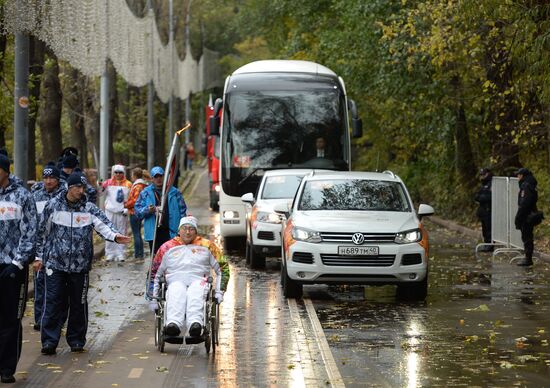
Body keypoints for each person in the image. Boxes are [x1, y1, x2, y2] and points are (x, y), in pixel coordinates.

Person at [35, 171, 130, 355]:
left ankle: (76, 340)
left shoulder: (89, 208)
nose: (81, 190)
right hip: (55, 264)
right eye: (78, 187)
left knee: (78, 303)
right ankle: (49, 341)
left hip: (80, 266)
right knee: (53, 302)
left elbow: (104, 226)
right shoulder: (53, 206)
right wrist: (39, 257)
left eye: (83, 187)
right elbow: (41, 233)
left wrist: (116, 237)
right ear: (69, 188)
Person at [151, 216, 229, 338]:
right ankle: (173, 324)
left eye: (191, 229)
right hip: (175, 280)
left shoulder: (207, 246)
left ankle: (195, 324)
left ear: (196, 231)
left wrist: (220, 291)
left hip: (199, 280)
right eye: (184, 228)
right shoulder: (167, 248)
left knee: (196, 292)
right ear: (179, 230)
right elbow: (154, 273)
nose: (187, 232)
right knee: (176, 291)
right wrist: (154, 297)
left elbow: (223, 268)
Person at [0, 154, 37, 384]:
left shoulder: (22, 195)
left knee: (10, 319)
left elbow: (30, 232)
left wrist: (17, 262)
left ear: (5, 170)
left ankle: (6, 367)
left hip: (12, 268)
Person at [30, 163, 64, 331]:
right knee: (39, 285)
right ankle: (39, 319)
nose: (49, 181)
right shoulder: (35, 196)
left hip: (58, 248)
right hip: (40, 246)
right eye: (46, 178)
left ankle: (54, 319)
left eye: (52, 178)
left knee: (56, 289)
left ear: (58, 180)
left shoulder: (63, 196)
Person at [134, 166, 187, 255]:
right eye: (156, 177)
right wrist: (148, 210)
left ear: (165, 177)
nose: (158, 179)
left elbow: (183, 211)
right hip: (154, 233)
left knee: (172, 257)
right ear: (152, 179)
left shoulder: (175, 192)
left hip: (172, 231)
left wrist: (182, 228)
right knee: (156, 259)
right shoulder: (145, 193)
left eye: (161, 176)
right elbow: (137, 211)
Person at [101, 165, 132, 262]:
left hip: (121, 212)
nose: (118, 174)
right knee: (109, 231)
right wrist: (100, 186)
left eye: (120, 172)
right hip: (110, 211)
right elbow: (100, 193)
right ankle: (110, 253)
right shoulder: (108, 183)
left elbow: (131, 199)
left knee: (121, 232)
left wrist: (127, 209)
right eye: (116, 172)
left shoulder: (128, 184)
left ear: (124, 173)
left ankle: (120, 253)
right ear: (113, 172)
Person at [514, 168, 539, 267]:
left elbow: (525, 203)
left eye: (518, 175)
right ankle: (527, 257)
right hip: (529, 213)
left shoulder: (526, 186)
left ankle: (528, 258)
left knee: (527, 237)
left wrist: (519, 217)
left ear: (522, 176)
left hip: (526, 215)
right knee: (527, 236)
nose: (517, 177)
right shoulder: (530, 184)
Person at [125, 167, 148, 259]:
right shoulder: (143, 185)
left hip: (134, 212)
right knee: (137, 233)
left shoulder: (138, 186)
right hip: (139, 212)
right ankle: (139, 253)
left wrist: (126, 204)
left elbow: (135, 201)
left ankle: (138, 255)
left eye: (132, 174)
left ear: (134, 175)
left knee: (136, 234)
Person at [475, 168, 493, 252]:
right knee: (484, 228)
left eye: (484, 174)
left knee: (489, 228)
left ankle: (490, 245)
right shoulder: (484, 184)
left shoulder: (492, 183)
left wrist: (481, 197)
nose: (482, 177)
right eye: (481, 175)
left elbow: (490, 197)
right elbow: (477, 196)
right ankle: (486, 243)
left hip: (489, 209)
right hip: (483, 209)